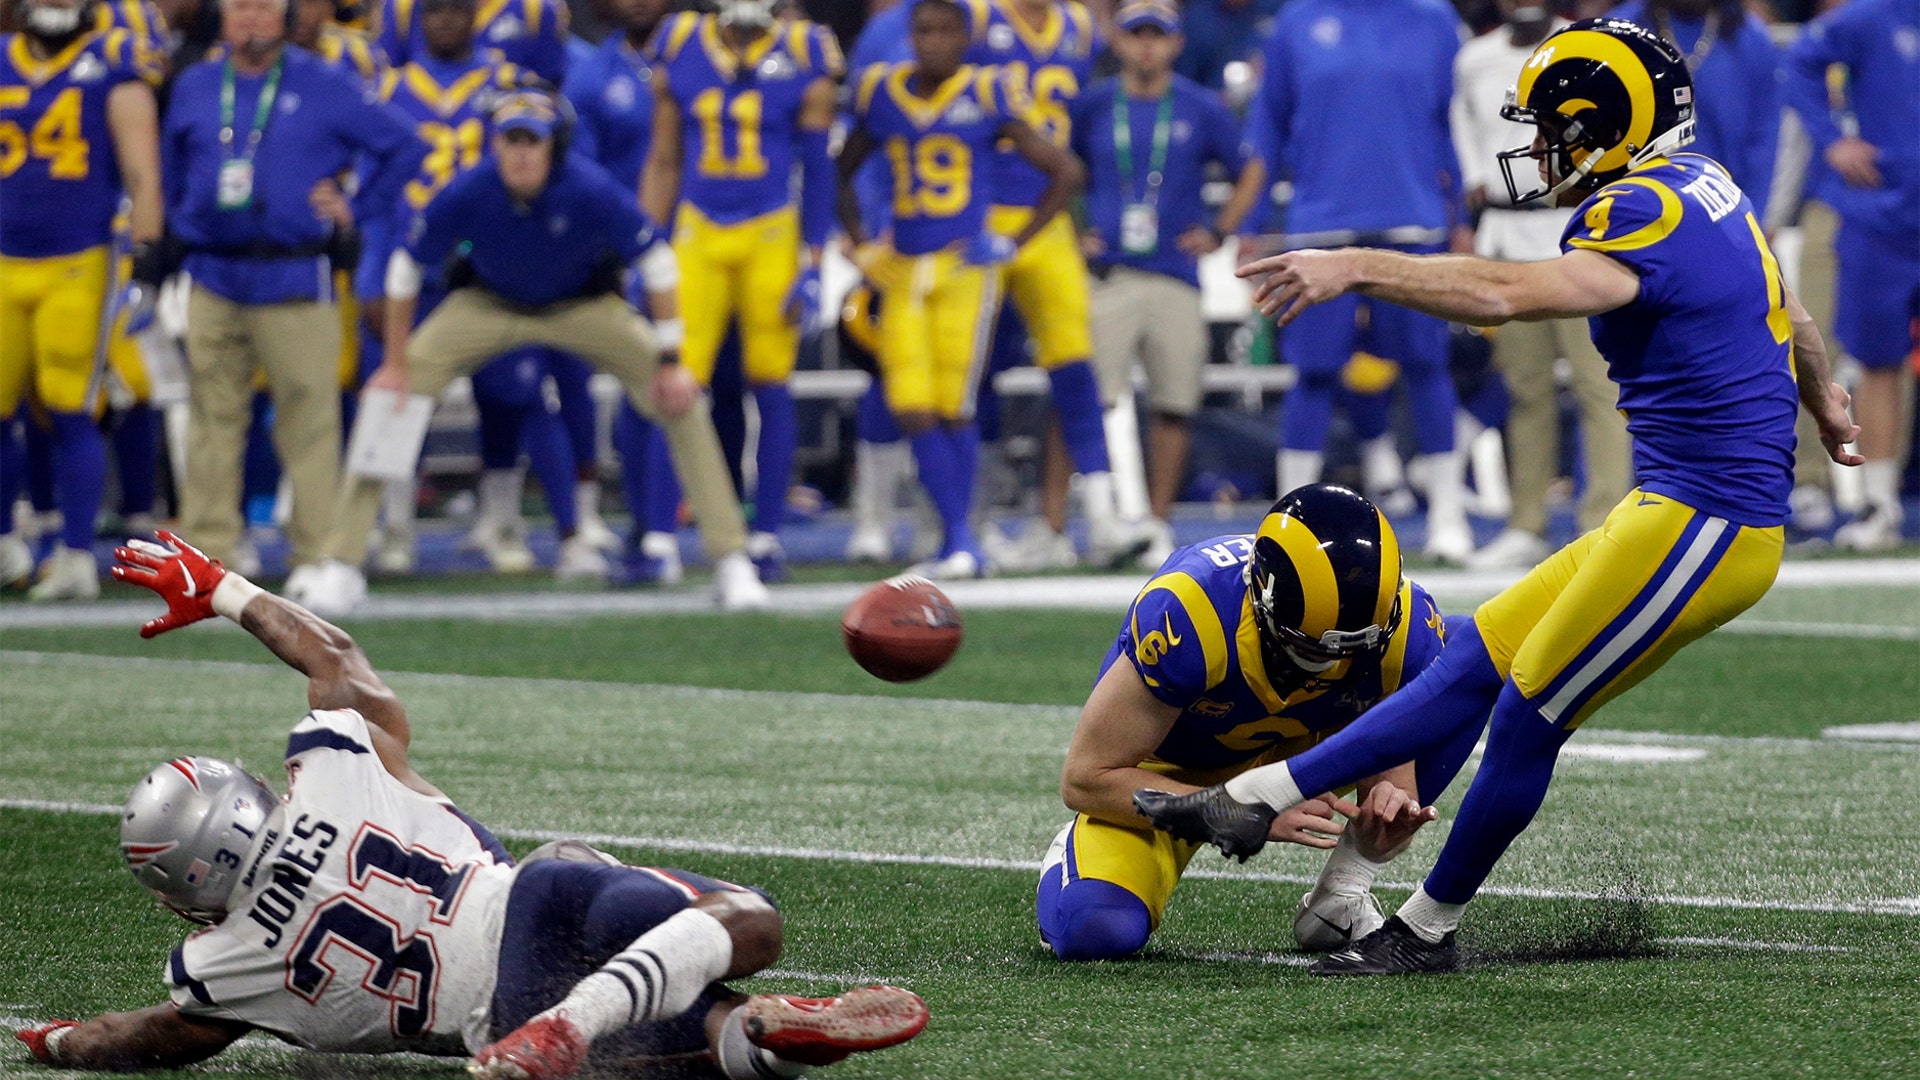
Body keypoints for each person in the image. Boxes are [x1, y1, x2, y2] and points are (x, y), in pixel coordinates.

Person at [1135, 19, 1863, 975]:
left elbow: (1503, 297)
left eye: (1555, 131)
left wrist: (1354, 264)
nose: (1540, 151)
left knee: (1528, 711)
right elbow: (1787, 301)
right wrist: (1823, 393)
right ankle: (1254, 797)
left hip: (1712, 523)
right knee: (1474, 657)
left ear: (1606, 127)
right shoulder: (1698, 182)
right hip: (1673, 510)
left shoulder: (1638, 212)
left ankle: (1425, 929)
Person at [10, 529, 927, 1079]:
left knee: (713, 1046)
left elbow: (151, 1038)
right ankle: (691, 1023)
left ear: (184, 888)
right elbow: (334, 658)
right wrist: (225, 591)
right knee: (745, 922)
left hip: (501, 1008)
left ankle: (688, 1035)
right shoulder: (330, 772)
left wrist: (61, 1043)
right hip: (539, 898)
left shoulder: (224, 965)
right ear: (247, 795)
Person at [302, 89, 770, 613]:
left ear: (555, 148)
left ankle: (731, 558)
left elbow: (657, 263)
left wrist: (669, 360)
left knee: (683, 399)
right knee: (388, 401)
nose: (521, 154)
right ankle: (343, 563)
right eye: (511, 141)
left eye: (533, 142)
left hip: (581, 304)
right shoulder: (470, 188)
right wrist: (393, 364)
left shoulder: (589, 187)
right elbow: (406, 268)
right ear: (495, 145)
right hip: (487, 303)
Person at [1040, 484, 1477, 960]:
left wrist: (1378, 832)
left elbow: (1392, 782)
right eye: (1312, 652)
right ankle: (1075, 860)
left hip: (1310, 743)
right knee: (1095, 930)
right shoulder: (1194, 613)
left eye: (1358, 652)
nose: (1336, 666)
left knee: (1467, 665)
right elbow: (1086, 778)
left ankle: (1342, 894)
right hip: (1176, 768)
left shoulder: (1408, 628)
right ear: (1261, 601)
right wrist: (1239, 808)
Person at [163, 0, 425, 588]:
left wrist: (355, 208)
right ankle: (209, 556)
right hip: (212, 272)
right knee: (211, 419)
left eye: (264, 7)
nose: (251, 19)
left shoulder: (325, 81)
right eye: (240, 7)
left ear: (285, 16)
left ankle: (318, 556)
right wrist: (177, 227)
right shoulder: (197, 84)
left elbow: (405, 146)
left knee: (309, 421)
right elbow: (171, 166)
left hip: (296, 274)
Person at [837, 0, 1084, 579]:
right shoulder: (881, 92)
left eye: (947, 30)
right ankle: (957, 536)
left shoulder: (988, 92)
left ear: (966, 38)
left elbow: (1066, 171)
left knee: (953, 405)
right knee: (910, 403)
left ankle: (960, 538)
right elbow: (839, 170)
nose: (934, 41)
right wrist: (860, 241)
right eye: (924, 29)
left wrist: (1013, 241)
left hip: (962, 268)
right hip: (903, 267)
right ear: (910, 34)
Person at [1248, 0, 1475, 563]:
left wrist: (1462, 219)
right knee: (1313, 372)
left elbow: (1455, 123)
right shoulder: (1298, 20)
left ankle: (1448, 517)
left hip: (1414, 220)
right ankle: (1283, 527)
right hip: (1320, 226)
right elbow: (1268, 124)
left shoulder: (1435, 20)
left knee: (1426, 366)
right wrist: (1253, 221)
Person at [637, 0, 842, 583]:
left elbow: (818, 166)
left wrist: (815, 258)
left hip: (770, 229)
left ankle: (766, 536)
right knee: (677, 381)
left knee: (771, 384)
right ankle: (658, 538)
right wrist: (645, 242)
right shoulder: (680, 38)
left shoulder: (804, 47)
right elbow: (663, 157)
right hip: (699, 227)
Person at [1072, 0, 1267, 570]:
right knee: (1081, 397)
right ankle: (1071, 522)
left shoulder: (1200, 106)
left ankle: (1156, 523)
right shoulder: (1093, 103)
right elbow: (1062, 168)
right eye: (1136, 35)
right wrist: (1075, 230)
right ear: (1118, 41)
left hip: (1175, 274)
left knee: (1174, 402)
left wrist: (1219, 230)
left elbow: (1252, 168)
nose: (1146, 46)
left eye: (1157, 35)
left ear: (1177, 43)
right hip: (1108, 273)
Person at [963, 0, 1144, 571]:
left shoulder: (1081, 26)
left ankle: (1103, 516)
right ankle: (966, 521)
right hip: (975, 215)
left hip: (1048, 218)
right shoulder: (973, 18)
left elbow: (1093, 122)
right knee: (968, 374)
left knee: (1074, 365)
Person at [1451, 0, 1629, 570]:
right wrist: (1473, 176)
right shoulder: (1474, 57)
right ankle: (1526, 522)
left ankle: (1604, 524)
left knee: (1599, 387)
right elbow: (1460, 120)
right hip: (1506, 236)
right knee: (1525, 391)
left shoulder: (1585, 46)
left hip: (1576, 231)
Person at [0, 0, 163, 600]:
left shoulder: (112, 65)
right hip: (4, 259)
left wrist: (146, 255)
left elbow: (143, 172)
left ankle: (74, 555)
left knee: (71, 406)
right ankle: (5, 546)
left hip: (80, 261)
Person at [1784, 0, 1918, 550]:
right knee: (1879, 361)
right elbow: (1799, 62)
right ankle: (1880, 503)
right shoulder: (1872, 15)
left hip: (1886, 211)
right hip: (1885, 214)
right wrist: (1833, 138)